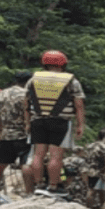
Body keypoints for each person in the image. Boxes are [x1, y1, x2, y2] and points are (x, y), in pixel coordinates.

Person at [24, 49, 86, 196]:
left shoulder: (33, 79)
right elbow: (79, 104)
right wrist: (80, 124)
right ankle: (53, 186)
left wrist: (27, 122)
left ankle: (39, 185)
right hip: (60, 121)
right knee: (56, 156)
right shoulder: (71, 80)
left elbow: (26, 102)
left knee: (38, 155)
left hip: (37, 120)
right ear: (63, 63)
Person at [0, 71, 34, 201]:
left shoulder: (1, 94)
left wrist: (0, 130)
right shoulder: (27, 94)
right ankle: (29, 193)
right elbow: (29, 112)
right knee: (26, 163)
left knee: (0, 163)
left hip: (6, 134)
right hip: (23, 134)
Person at [81, 129, 105, 209]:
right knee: (97, 191)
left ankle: (89, 208)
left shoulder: (91, 145)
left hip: (89, 169)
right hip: (100, 171)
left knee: (93, 190)